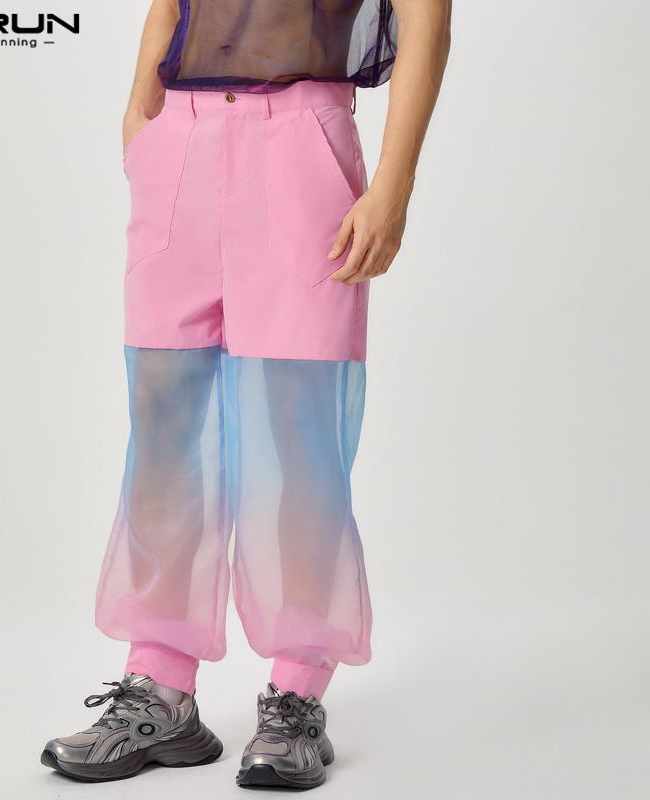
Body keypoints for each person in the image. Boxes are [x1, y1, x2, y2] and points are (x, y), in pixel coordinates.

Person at [42, 0, 451, 790]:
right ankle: (160, 685)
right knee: (163, 412)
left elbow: (425, 16)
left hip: (301, 138)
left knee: (297, 423)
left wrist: (394, 183)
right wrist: (141, 115)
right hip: (183, 138)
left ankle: (297, 691)